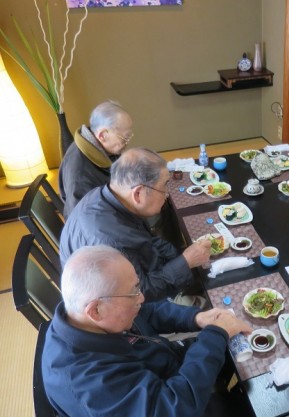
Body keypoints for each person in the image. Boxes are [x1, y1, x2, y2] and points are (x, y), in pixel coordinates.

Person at [42, 245, 252, 417]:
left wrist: (196, 317)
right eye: (133, 293)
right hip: (172, 401)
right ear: (96, 310)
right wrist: (215, 333)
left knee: (235, 346)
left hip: (163, 366)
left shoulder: (82, 315)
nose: (141, 298)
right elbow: (173, 408)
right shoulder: (91, 384)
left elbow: (146, 312)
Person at [60, 147, 211, 303]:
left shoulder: (106, 196)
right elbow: (140, 293)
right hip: (119, 306)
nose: (167, 194)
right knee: (215, 301)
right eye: (164, 186)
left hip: (133, 276)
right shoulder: (112, 241)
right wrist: (185, 262)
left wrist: (181, 257)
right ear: (138, 193)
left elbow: (148, 240)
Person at [59, 100, 133, 218]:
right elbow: (86, 221)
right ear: (102, 135)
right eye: (124, 138)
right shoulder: (80, 173)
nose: (127, 143)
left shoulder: (95, 142)